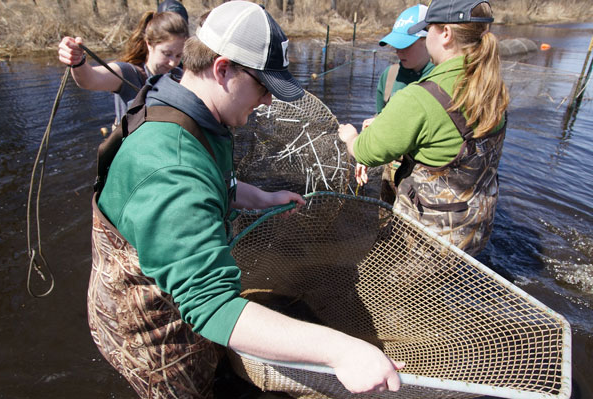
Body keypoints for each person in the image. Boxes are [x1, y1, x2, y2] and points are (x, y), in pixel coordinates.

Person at [89, 2, 404, 398]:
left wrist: (262, 197)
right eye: (264, 87)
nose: (270, 102)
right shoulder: (171, 166)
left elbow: (213, 184)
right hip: (154, 334)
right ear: (222, 69)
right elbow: (212, 306)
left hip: (179, 289)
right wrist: (342, 351)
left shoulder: (189, 105)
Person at [339, 0, 509, 257]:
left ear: (446, 34)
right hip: (471, 235)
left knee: (391, 292)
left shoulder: (421, 97)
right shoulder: (492, 87)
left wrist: (351, 137)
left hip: (426, 243)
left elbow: (364, 151)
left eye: (428, 28)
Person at [356, 4, 435, 203]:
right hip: (389, 172)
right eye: (396, 46)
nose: (399, 52)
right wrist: (373, 128)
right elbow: (381, 115)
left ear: (428, 40)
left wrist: (355, 142)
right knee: (386, 220)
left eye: (406, 45)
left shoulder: (440, 81)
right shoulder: (389, 76)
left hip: (426, 189)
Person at [57, 10, 188, 126]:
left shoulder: (179, 75)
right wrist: (77, 62)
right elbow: (90, 80)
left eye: (178, 55)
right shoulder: (128, 73)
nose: (172, 63)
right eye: (167, 54)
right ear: (149, 44)